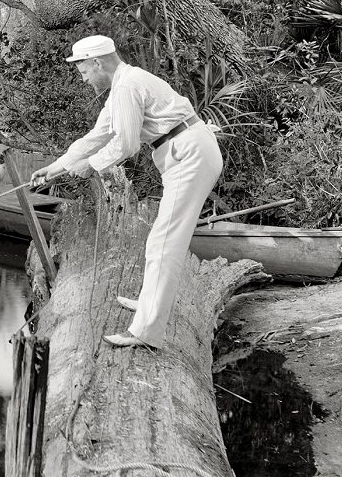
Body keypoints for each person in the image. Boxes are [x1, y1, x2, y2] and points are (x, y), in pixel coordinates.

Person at [29, 34, 223, 350]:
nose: (84, 78)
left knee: (164, 243)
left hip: (190, 155)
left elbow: (126, 144)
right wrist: (56, 167)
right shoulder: (122, 86)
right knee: (161, 241)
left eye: (84, 71)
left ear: (97, 62)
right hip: (186, 152)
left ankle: (146, 333)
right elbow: (98, 136)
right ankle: (149, 306)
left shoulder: (127, 87)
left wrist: (92, 166)